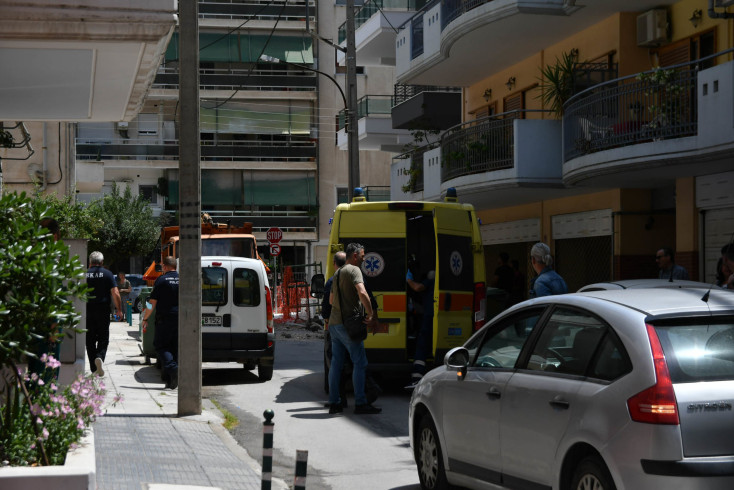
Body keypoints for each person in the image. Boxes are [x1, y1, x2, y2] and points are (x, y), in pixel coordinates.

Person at [327, 242, 381, 415]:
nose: (364, 259)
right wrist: (370, 314)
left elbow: (331, 301)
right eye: (363, 256)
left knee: (336, 364)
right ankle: (360, 403)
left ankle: (334, 403)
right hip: (348, 326)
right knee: (360, 362)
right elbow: (362, 292)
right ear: (355, 255)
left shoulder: (337, 273)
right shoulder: (354, 270)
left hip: (334, 325)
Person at [142, 256, 179, 389]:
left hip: (165, 319)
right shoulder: (183, 279)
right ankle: (171, 381)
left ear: (164, 266)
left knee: (160, 346)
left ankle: (173, 368)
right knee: (174, 348)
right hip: (180, 319)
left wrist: (145, 318)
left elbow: (152, 302)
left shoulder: (161, 280)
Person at [86, 251, 122, 377]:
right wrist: (119, 310)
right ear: (101, 262)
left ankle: (93, 368)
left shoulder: (84, 274)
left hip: (87, 310)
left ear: (90, 262)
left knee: (89, 340)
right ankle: (100, 357)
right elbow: (115, 293)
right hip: (103, 310)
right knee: (103, 337)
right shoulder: (108, 274)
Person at [405, 269, 435, 389]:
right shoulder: (438, 282)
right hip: (434, 316)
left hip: (429, 316)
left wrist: (409, 280)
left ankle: (417, 378)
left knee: (422, 344)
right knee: (427, 344)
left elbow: (417, 287)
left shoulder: (430, 281)